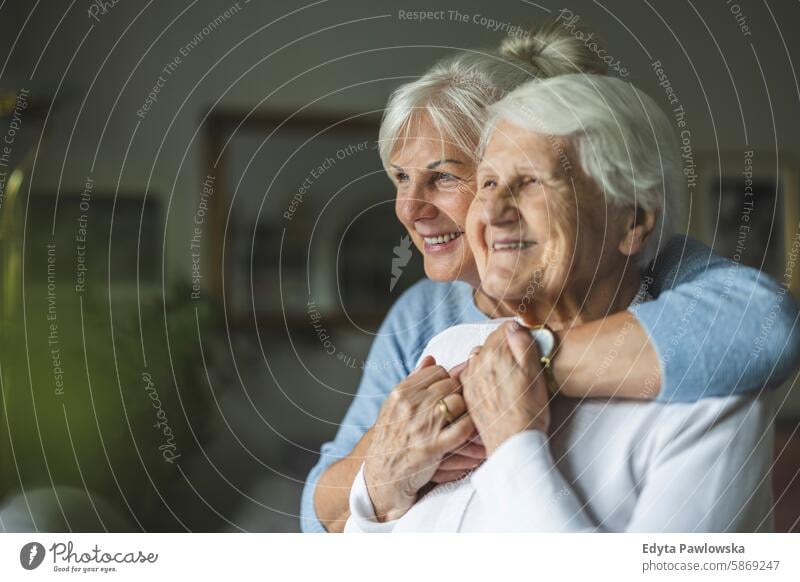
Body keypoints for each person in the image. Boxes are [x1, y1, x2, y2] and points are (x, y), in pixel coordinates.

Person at [301, 24, 800, 532]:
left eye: (446, 175)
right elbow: (322, 518)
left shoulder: (684, 331)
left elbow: (766, 326)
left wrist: (521, 371)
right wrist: (384, 475)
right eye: (400, 178)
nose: (407, 209)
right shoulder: (434, 326)